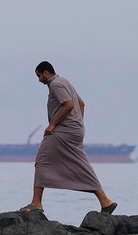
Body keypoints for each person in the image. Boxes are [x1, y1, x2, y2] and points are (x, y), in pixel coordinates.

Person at [20, 61, 117, 215]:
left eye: (39, 76)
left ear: (45, 72)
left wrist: (52, 125)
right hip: (75, 130)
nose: (39, 80)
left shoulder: (55, 85)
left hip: (63, 131)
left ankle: (36, 203)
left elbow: (69, 104)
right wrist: (78, 124)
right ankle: (105, 201)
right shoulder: (64, 81)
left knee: (42, 160)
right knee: (81, 164)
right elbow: (82, 104)